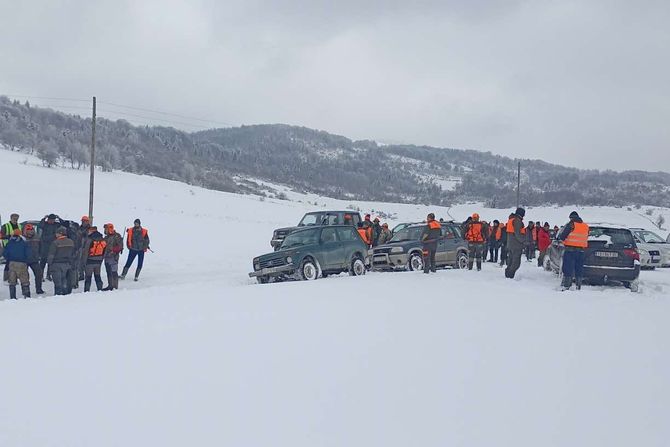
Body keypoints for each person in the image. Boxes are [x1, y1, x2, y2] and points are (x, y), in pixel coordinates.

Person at [557, 211, 589, 291]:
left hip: (570, 250)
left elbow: (563, 236)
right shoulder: (586, 226)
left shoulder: (571, 224)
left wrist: (560, 239)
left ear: (571, 218)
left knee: (568, 268)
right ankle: (578, 286)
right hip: (581, 251)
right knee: (579, 268)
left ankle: (567, 285)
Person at [47, 227, 75, 296]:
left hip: (56, 264)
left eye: (57, 233)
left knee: (57, 281)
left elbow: (51, 255)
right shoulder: (71, 242)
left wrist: (49, 264)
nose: (56, 235)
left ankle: (58, 294)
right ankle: (65, 293)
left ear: (60, 234)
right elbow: (73, 253)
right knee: (64, 279)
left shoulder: (55, 243)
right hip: (67, 264)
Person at [4, 229, 31, 298]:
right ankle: (26, 296)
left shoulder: (9, 243)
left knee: (12, 282)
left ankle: (13, 297)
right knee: (25, 281)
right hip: (22, 264)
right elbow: (28, 253)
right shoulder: (24, 243)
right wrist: (26, 261)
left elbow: (5, 253)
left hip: (12, 263)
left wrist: (9, 259)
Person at [81, 226, 106, 292]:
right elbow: (104, 251)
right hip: (98, 260)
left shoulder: (89, 240)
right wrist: (101, 259)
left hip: (90, 260)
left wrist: (84, 262)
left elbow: (86, 251)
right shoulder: (102, 239)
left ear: (92, 231)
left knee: (88, 276)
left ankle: (86, 291)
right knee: (97, 275)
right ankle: (100, 289)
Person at [23, 224, 45, 294]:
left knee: (39, 274)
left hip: (34, 260)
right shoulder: (22, 238)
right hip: (24, 260)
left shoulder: (37, 237)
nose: (30, 232)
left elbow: (41, 247)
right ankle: (25, 290)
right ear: (25, 231)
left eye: (31, 230)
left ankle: (39, 289)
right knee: (24, 276)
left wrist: (40, 255)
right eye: (28, 230)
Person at [505, 208, 526, 279]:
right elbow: (518, 234)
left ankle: (507, 274)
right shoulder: (517, 221)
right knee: (516, 263)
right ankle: (510, 275)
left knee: (510, 260)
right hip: (516, 244)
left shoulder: (511, 219)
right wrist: (524, 241)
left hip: (510, 244)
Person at [39, 214, 61, 280]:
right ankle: (41, 276)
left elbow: (63, 224)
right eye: (50, 220)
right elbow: (40, 225)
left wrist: (59, 218)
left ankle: (49, 275)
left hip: (53, 245)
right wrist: (43, 218)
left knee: (51, 261)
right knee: (43, 261)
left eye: (53, 220)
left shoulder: (56, 225)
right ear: (48, 219)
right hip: (45, 245)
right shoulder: (45, 224)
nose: (51, 221)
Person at [1, 213, 22, 281]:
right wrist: (10, 236)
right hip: (8, 246)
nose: (16, 220)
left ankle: (14, 278)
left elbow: (21, 235)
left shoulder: (19, 225)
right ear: (11, 218)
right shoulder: (6, 226)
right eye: (14, 218)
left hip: (17, 246)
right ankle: (6, 278)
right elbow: (1, 236)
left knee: (15, 262)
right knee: (9, 261)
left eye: (17, 219)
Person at [102, 223, 123, 291]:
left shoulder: (117, 236)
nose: (105, 230)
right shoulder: (106, 237)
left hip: (113, 257)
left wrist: (113, 251)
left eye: (106, 229)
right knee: (108, 271)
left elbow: (120, 246)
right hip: (106, 257)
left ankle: (115, 286)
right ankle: (110, 285)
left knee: (114, 272)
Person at [74, 215, 92, 283]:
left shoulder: (90, 229)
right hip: (79, 247)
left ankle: (87, 275)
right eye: (83, 221)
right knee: (79, 262)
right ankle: (81, 275)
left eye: (85, 221)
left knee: (85, 262)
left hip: (87, 248)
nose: (83, 222)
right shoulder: (79, 228)